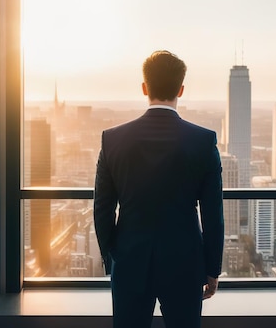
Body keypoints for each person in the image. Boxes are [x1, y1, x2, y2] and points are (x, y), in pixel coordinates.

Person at [93, 50, 224, 328]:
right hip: (184, 264)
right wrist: (212, 269)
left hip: (130, 260)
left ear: (144, 88)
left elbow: (102, 208)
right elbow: (214, 215)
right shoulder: (203, 142)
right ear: (181, 89)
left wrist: (113, 257)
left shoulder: (112, 140)